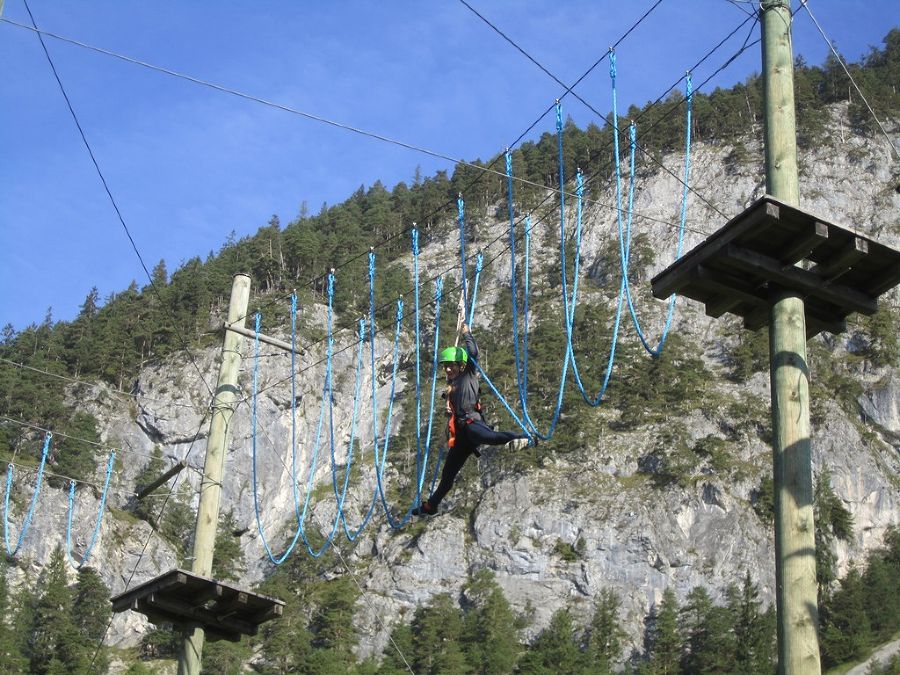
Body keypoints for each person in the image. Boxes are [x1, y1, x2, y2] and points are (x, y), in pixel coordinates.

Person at [413, 323, 531, 516]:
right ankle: (431, 506)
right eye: (446, 366)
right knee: (447, 477)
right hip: (460, 436)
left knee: (490, 437)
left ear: (461, 365)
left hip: (471, 424)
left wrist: (466, 333)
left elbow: (473, 353)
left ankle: (525, 438)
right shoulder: (453, 385)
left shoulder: (468, 374)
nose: (448, 369)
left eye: (451, 365)